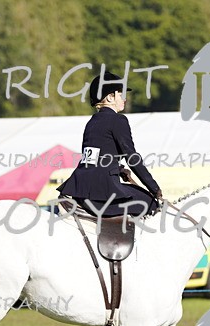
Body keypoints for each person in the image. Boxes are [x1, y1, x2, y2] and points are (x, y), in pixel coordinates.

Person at [57, 71, 163, 217]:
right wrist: (154, 188)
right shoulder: (118, 120)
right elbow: (132, 157)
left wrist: (119, 169)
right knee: (150, 203)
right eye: (120, 94)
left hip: (79, 189)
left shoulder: (92, 122)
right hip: (102, 194)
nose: (124, 99)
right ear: (109, 97)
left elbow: (95, 158)